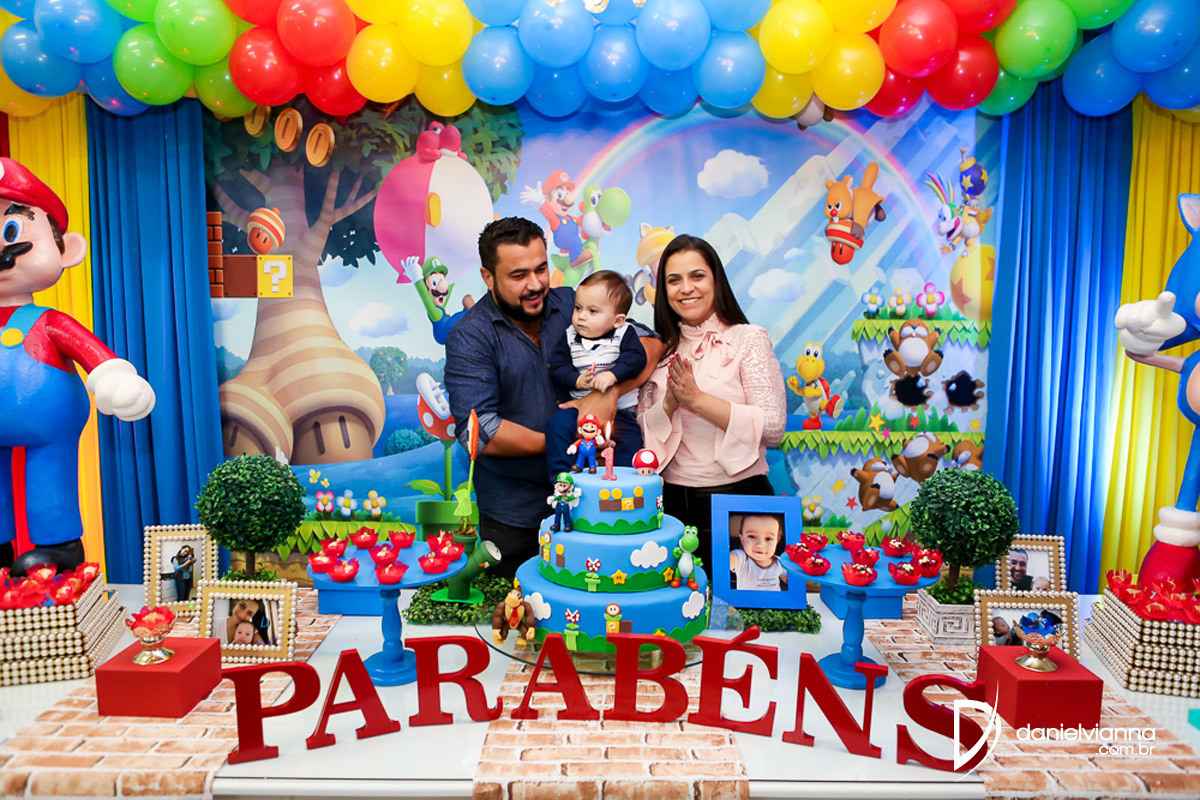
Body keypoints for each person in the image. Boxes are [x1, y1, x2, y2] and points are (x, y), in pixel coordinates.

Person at [444, 218, 661, 576]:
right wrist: (574, 440)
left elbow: (650, 343)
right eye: (518, 275)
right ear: (488, 277)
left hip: (598, 507)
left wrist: (609, 394)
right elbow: (479, 432)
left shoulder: (572, 304)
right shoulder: (469, 337)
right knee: (525, 603)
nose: (535, 284)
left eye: (541, 269)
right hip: (518, 517)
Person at [0, 158, 155, 576]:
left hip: (49, 428)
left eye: (11, 231)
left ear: (66, 250)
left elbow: (90, 351)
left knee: (49, 476)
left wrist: (114, 377)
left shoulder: (49, 322)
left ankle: (59, 547)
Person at [638, 235, 786, 566]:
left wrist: (697, 399)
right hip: (670, 507)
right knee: (678, 598)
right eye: (673, 280)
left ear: (716, 280)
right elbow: (644, 432)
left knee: (740, 597)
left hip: (739, 505)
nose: (686, 288)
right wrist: (669, 404)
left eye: (697, 276)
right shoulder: (659, 350)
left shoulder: (748, 338)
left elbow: (773, 427)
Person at [548, 270, 646, 468]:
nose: (581, 317)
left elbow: (637, 358)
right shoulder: (569, 336)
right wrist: (576, 380)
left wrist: (613, 375)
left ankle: (625, 478)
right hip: (579, 409)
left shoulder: (624, 334)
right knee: (556, 425)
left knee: (631, 438)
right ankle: (561, 475)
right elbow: (557, 366)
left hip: (620, 411)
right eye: (578, 308)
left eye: (592, 311)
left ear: (617, 320)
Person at [729, 514, 787, 591]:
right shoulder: (742, 558)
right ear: (742, 540)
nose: (760, 545)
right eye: (752, 536)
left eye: (769, 538)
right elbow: (726, 561)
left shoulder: (779, 562)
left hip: (774, 598)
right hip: (748, 599)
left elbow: (790, 580)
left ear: (777, 541)